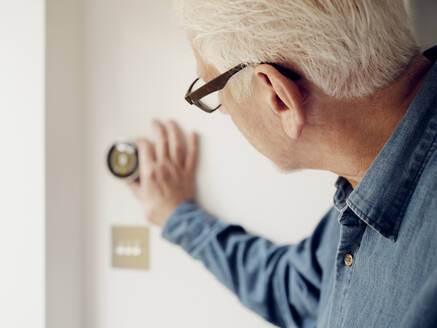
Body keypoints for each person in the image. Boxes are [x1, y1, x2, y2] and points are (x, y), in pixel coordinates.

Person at [127, 1, 437, 327]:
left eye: (212, 87)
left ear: (278, 96)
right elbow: (295, 289)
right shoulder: (366, 186)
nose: (223, 110)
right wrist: (179, 216)